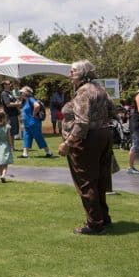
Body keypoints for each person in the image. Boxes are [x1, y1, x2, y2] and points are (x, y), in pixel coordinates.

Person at [58, 60, 116, 235]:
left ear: (83, 73)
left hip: (87, 139)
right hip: (104, 135)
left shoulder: (83, 92)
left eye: (73, 71)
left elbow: (82, 123)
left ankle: (95, 224)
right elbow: (113, 110)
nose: (70, 73)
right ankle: (103, 217)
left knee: (86, 180)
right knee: (99, 179)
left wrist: (68, 143)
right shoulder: (100, 89)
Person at [19, 86, 54, 159]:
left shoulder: (31, 99)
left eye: (22, 92)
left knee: (38, 137)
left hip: (33, 122)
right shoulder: (25, 101)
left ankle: (48, 152)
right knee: (26, 137)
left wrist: (34, 114)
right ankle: (25, 154)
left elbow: (37, 106)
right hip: (27, 123)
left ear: (26, 93)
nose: (21, 93)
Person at [0, 80, 21, 148]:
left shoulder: (10, 93)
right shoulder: (4, 93)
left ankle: (12, 147)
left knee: (13, 132)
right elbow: (8, 104)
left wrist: (18, 102)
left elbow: (15, 101)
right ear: (4, 85)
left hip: (14, 114)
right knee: (9, 131)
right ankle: (8, 146)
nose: (10, 85)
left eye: (10, 83)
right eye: (8, 84)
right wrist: (18, 104)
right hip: (9, 115)